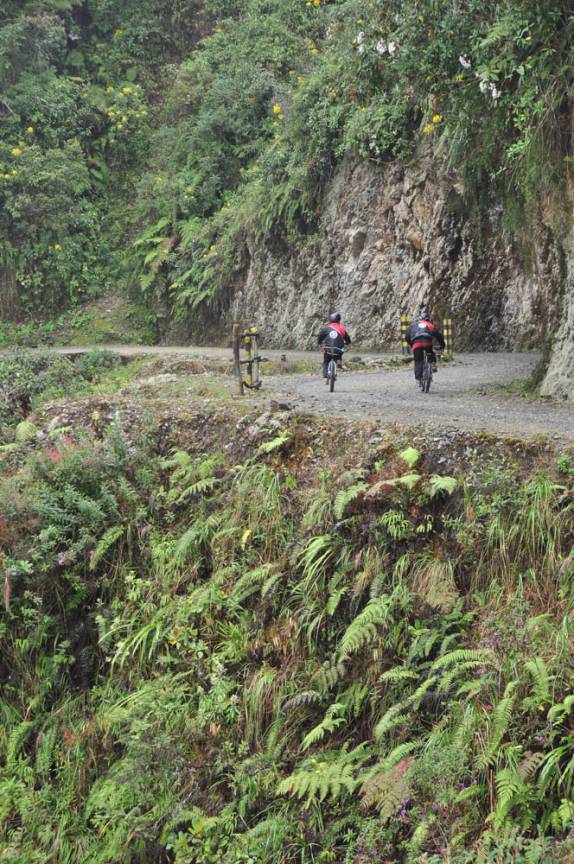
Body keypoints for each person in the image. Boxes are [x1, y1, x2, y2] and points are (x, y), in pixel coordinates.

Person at [406, 309, 445, 383]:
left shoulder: (414, 325)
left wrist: (411, 344)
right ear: (428, 319)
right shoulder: (429, 325)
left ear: (420, 319)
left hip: (416, 343)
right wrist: (442, 345)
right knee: (430, 352)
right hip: (427, 341)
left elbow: (407, 336)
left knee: (418, 361)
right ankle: (432, 363)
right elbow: (438, 336)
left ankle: (418, 378)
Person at [317, 313, 351, 380]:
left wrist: (319, 343)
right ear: (339, 320)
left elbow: (320, 337)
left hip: (328, 349)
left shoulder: (326, 329)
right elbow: (348, 339)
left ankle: (325, 375)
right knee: (341, 350)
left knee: (326, 361)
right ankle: (339, 360)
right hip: (338, 350)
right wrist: (347, 343)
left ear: (330, 320)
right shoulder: (342, 329)